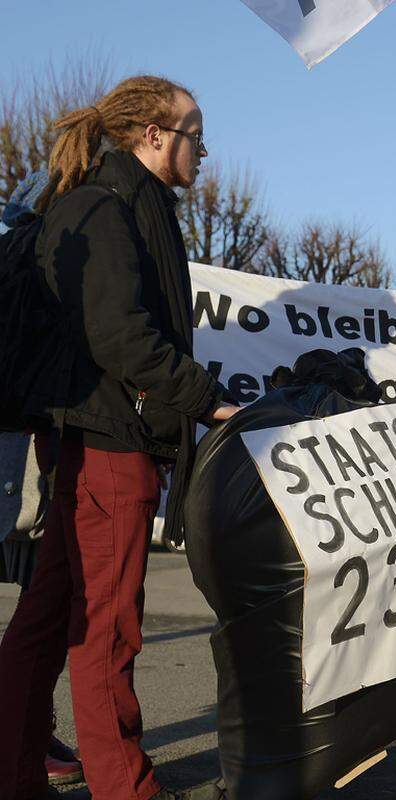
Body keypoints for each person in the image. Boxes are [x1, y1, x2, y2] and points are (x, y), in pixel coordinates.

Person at [0, 76, 239, 800]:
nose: (205, 148)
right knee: (108, 627)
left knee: (48, 617)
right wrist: (206, 401)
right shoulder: (110, 208)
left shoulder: (122, 203)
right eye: (195, 132)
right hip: (107, 442)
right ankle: (123, 787)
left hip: (91, 436)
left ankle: (12, 772)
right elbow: (120, 335)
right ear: (153, 135)